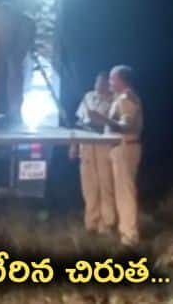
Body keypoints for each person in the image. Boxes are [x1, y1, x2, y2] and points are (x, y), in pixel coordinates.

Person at [88, 65, 144, 246]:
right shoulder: (120, 98)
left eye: (112, 79)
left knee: (124, 192)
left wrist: (102, 119)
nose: (109, 82)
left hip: (125, 147)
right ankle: (126, 232)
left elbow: (125, 125)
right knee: (121, 192)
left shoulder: (127, 99)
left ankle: (130, 235)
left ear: (121, 81)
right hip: (120, 148)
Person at [71, 72, 115, 235]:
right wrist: (73, 144)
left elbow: (112, 124)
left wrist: (97, 119)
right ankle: (91, 221)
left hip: (103, 143)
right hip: (86, 142)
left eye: (102, 82)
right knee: (89, 184)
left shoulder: (113, 100)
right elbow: (78, 122)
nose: (98, 84)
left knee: (105, 183)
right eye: (96, 80)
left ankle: (107, 222)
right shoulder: (88, 97)